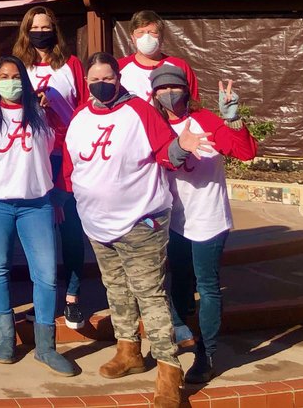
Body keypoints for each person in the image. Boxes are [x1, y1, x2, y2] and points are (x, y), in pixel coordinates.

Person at [62, 52, 204, 408]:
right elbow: (70, 167)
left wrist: (180, 147)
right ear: (86, 82)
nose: (101, 84)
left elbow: (164, 154)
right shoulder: (79, 118)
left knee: (149, 294)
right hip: (97, 223)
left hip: (141, 220)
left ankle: (170, 370)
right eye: (95, 78)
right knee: (116, 289)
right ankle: (128, 350)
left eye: (108, 78)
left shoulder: (140, 111)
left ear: (118, 79)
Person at [152, 67, 257, 384]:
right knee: (179, 278)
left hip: (209, 218)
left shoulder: (206, 121)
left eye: (174, 86)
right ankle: (180, 328)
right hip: (175, 220)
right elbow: (154, 159)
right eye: (161, 88)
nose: (169, 92)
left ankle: (207, 354)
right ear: (154, 94)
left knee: (207, 286)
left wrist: (233, 120)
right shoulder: (153, 124)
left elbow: (245, 152)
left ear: (186, 89)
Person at [0, 56, 75, 374]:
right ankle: (6, 338)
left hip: (36, 204)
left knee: (44, 273)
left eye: (16, 76)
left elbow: (60, 144)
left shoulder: (40, 112)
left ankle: (46, 346)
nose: (10, 81)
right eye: (3, 76)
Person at [13, 6, 89, 329]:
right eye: (35, 27)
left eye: (46, 27)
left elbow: (84, 104)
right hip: (32, 157)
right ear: (26, 32)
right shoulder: (19, 65)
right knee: (40, 234)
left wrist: (56, 103)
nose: (40, 32)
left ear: (54, 30)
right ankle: (43, 298)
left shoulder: (70, 64)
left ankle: (72, 297)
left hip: (65, 155)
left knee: (70, 230)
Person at [118, 10, 199, 104]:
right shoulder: (119, 67)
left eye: (152, 32)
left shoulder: (179, 66)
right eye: (141, 32)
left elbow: (194, 103)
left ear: (161, 37)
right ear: (132, 37)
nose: (146, 37)